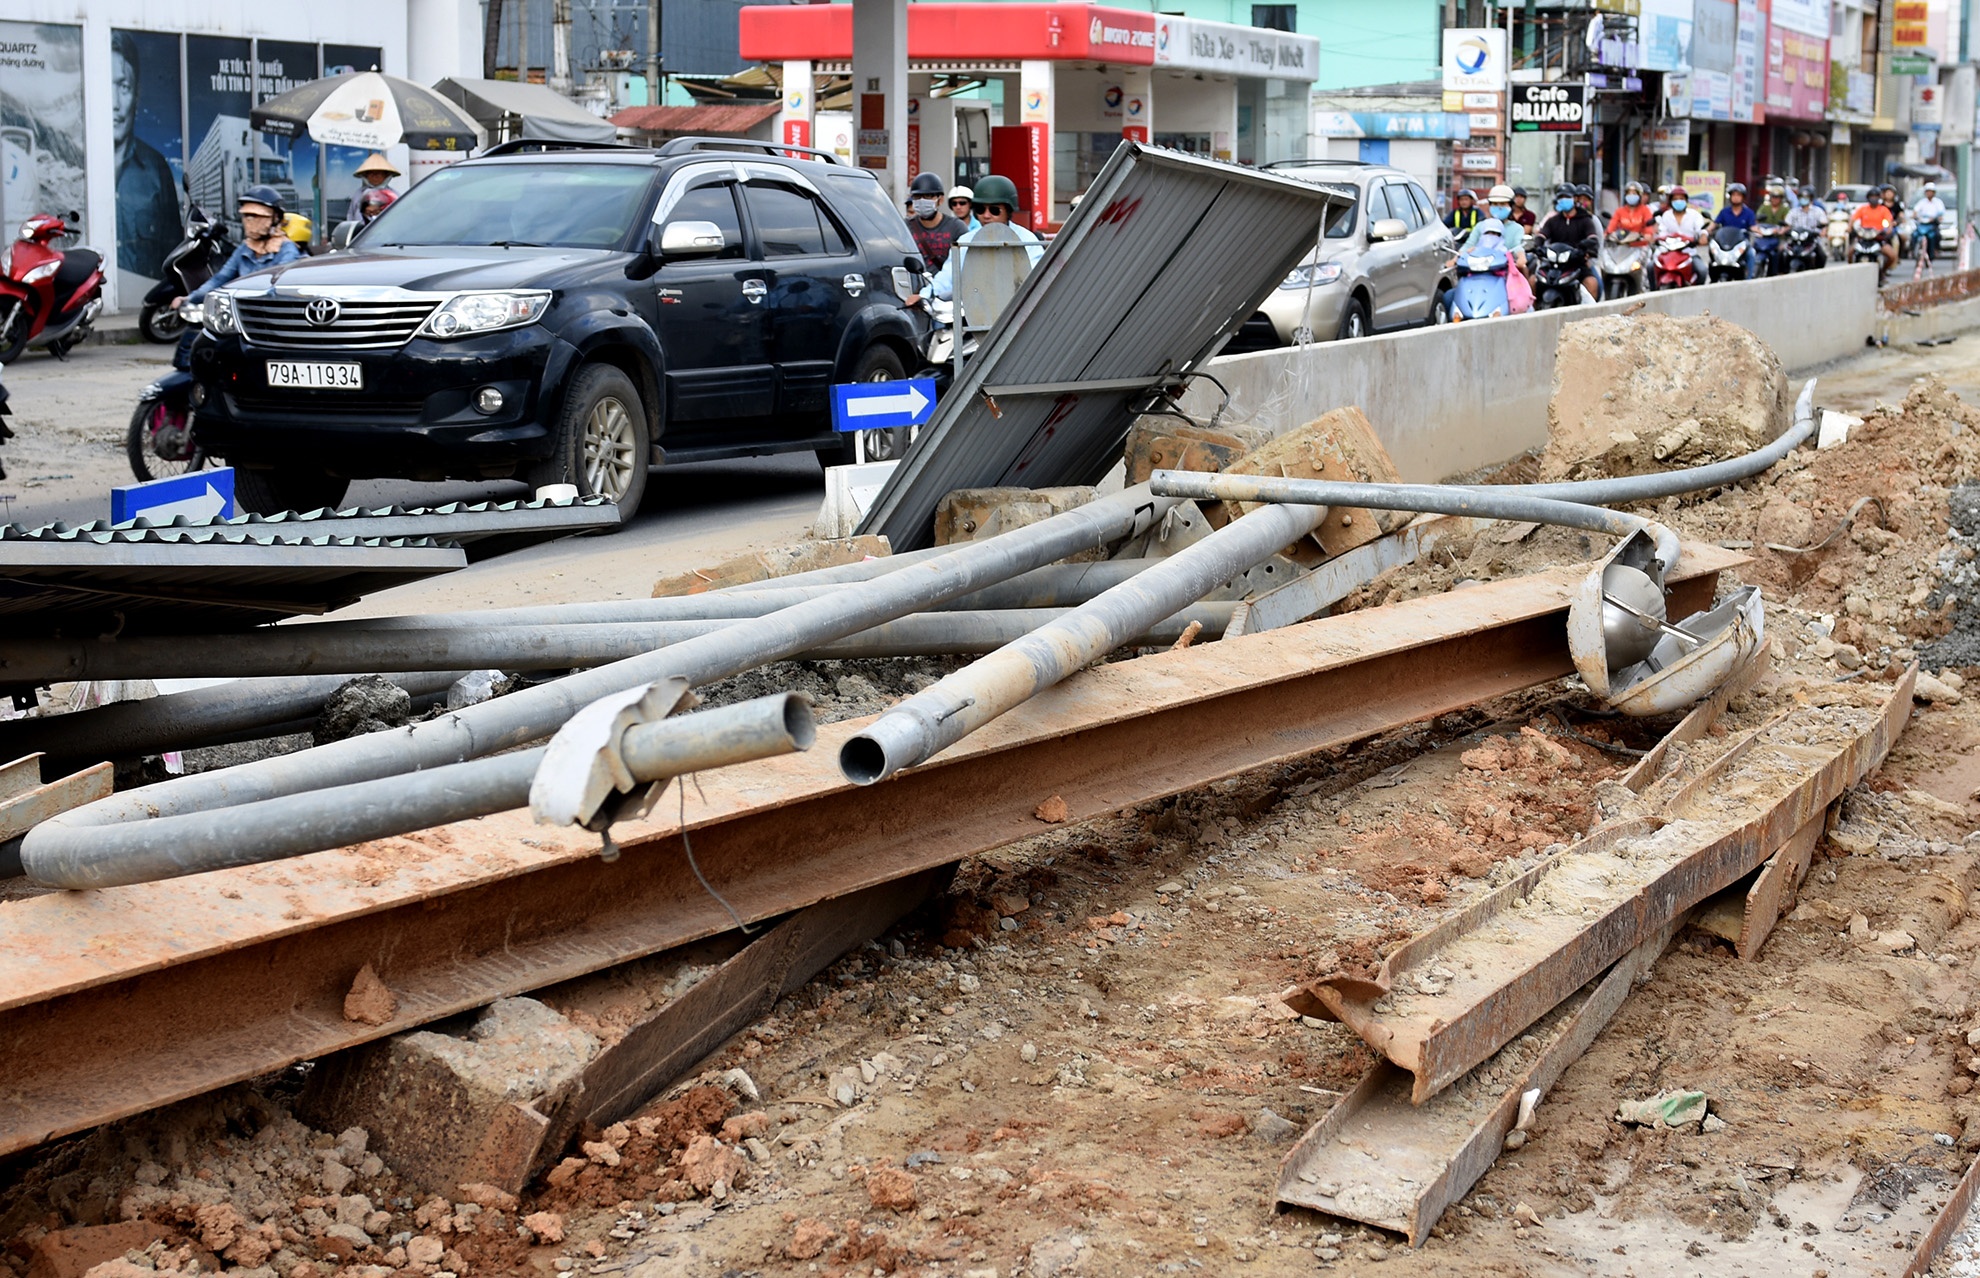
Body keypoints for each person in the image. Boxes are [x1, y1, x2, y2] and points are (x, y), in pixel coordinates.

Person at [111, 29, 184, 280]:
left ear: (136, 95)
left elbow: (173, 249)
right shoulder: (70, 165)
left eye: (123, 86)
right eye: (106, 86)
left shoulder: (156, 169)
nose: (114, 103)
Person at [923, 174, 1044, 305]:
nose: (986, 216)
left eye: (994, 210)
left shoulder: (1026, 240)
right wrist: (925, 295)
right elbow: (948, 276)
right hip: (973, 315)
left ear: (1008, 210)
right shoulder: (965, 241)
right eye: (981, 210)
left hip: (1015, 312)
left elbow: (1034, 279)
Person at [1533, 182, 1601, 300]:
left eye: (1567, 197)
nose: (1563, 200)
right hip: (1553, 264)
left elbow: (1593, 238)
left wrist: (1587, 248)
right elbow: (1542, 235)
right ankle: (1533, 313)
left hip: (1577, 263)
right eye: (1561, 197)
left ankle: (1590, 316)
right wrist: (1536, 246)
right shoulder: (1553, 220)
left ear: (1574, 199)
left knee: (1592, 283)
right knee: (1532, 281)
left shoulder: (1586, 220)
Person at [903, 171, 968, 273]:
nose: (922, 201)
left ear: (940, 200)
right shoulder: (905, 227)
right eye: (917, 197)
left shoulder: (957, 228)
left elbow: (966, 263)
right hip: (915, 287)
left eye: (928, 196)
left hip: (946, 288)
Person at [1655, 185, 1709, 282]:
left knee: (1702, 271)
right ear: (1671, 201)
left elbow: (1701, 230)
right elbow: (1661, 233)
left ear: (1686, 201)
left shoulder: (1694, 215)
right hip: (1668, 253)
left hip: (1689, 253)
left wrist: (1702, 236)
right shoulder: (1666, 215)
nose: (1678, 201)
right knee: (1651, 267)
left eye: (1681, 199)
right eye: (1675, 199)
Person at [1714, 183, 1758, 278]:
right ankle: (1714, 277)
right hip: (1725, 243)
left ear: (1743, 197)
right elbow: (1714, 224)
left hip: (1742, 244)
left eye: (1738, 195)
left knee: (1751, 254)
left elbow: (1753, 227)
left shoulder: (1749, 213)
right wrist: (1704, 232)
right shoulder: (1724, 212)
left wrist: (1763, 232)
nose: (1736, 197)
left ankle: (1749, 279)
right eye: (1733, 195)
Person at [1852, 192, 1898, 272]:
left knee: (1892, 256)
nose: (1874, 198)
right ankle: (1851, 270)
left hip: (1878, 237)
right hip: (1864, 237)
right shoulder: (1863, 209)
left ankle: (1883, 272)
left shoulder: (1883, 209)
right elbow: (1853, 219)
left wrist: (1888, 230)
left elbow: (1889, 221)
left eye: (1876, 196)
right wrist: (1850, 228)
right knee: (1850, 252)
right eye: (1872, 196)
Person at [351, 153, 402, 221]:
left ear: (386, 175)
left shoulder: (393, 195)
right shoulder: (359, 194)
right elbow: (351, 215)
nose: (375, 176)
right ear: (366, 176)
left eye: (379, 173)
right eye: (371, 173)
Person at [1912, 181, 1948, 261]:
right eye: (1927, 191)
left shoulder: (1938, 202)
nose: (1929, 193)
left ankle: (1935, 250)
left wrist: (1937, 218)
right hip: (1922, 223)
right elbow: (1915, 210)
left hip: (1932, 224)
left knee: (1935, 235)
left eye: (1931, 192)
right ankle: (1913, 250)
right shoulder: (1922, 202)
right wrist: (1914, 216)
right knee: (1914, 234)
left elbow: (1941, 213)